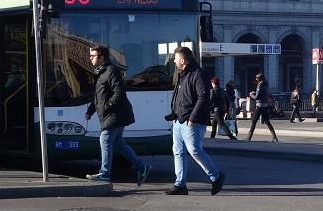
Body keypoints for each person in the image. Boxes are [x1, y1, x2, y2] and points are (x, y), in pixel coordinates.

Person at [84, 45, 152, 185]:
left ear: (102, 57)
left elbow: (119, 92)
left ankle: (105, 173)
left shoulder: (111, 70)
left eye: (93, 56)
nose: (90, 58)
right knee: (118, 143)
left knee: (105, 139)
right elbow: (98, 95)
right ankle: (142, 167)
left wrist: (106, 107)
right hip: (113, 113)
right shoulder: (101, 72)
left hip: (115, 114)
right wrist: (90, 111)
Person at [166, 46, 225, 195]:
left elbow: (203, 97)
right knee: (178, 152)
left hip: (192, 121)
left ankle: (216, 177)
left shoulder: (198, 74)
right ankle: (180, 185)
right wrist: (174, 113)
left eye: (175, 59)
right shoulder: (181, 74)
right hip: (179, 120)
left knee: (194, 150)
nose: (174, 61)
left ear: (182, 60)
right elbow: (178, 95)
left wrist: (193, 118)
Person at [246, 73, 279, 142]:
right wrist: (255, 93)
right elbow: (262, 94)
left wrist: (251, 95)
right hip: (265, 105)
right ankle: (274, 137)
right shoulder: (266, 85)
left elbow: (257, 97)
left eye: (256, 78)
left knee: (254, 121)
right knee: (267, 121)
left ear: (259, 78)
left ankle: (249, 137)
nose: (255, 79)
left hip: (259, 105)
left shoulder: (260, 85)